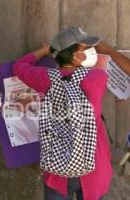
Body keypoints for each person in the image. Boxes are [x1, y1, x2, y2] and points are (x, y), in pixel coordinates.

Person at [13, 26, 120, 200]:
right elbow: (102, 68)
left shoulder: (45, 77)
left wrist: (45, 50)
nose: (90, 51)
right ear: (75, 56)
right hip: (93, 164)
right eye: (85, 48)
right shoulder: (97, 77)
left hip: (57, 166)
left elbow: (19, 66)